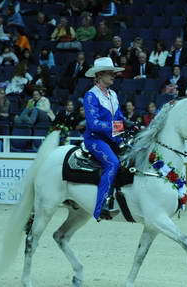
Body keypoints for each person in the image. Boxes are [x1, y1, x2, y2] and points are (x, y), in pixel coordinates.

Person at [83, 56, 126, 220]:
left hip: (113, 138)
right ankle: (101, 207)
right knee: (112, 163)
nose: (113, 76)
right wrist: (117, 127)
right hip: (95, 139)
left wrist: (128, 124)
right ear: (99, 75)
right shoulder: (91, 96)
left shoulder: (113, 94)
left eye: (113, 73)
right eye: (110, 73)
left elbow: (119, 117)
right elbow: (93, 124)